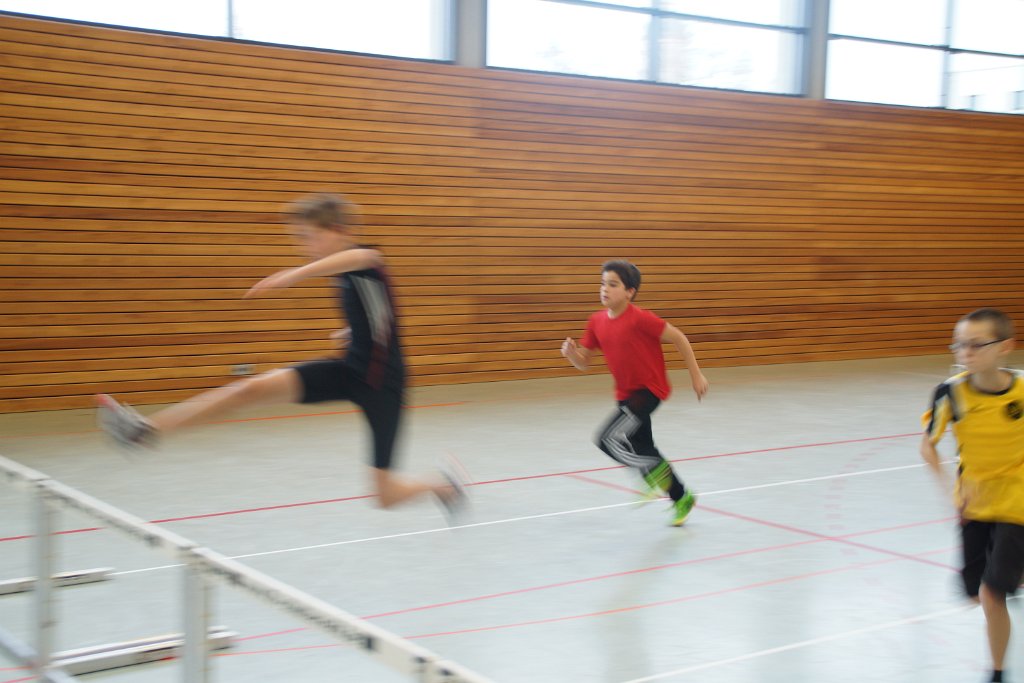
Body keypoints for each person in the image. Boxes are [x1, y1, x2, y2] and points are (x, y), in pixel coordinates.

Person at [97, 193, 464, 515]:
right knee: (249, 389)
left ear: (339, 229)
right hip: (348, 370)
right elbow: (380, 317)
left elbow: (359, 257)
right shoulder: (347, 276)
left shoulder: (368, 259)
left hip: (384, 386)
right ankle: (143, 431)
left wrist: (293, 275)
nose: (306, 246)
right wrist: (352, 331)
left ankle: (444, 487)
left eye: (311, 236)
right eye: (301, 239)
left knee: (385, 497)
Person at [560, 260, 709, 526]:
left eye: (613, 284)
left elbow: (679, 338)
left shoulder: (641, 319)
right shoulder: (596, 321)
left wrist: (696, 375)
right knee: (643, 447)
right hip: (625, 394)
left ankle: (648, 473)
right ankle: (682, 497)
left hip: (649, 390)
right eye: (603, 283)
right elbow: (584, 362)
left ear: (630, 292)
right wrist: (572, 355)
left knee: (607, 438)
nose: (605, 289)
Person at [921, 307, 1024, 683]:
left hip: (1018, 502)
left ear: (1005, 347)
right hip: (975, 505)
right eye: (959, 345)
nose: (966, 352)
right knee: (973, 592)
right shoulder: (950, 393)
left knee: (993, 594)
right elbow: (928, 445)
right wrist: (948, 489)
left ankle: (997, 673)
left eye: (977, 344)